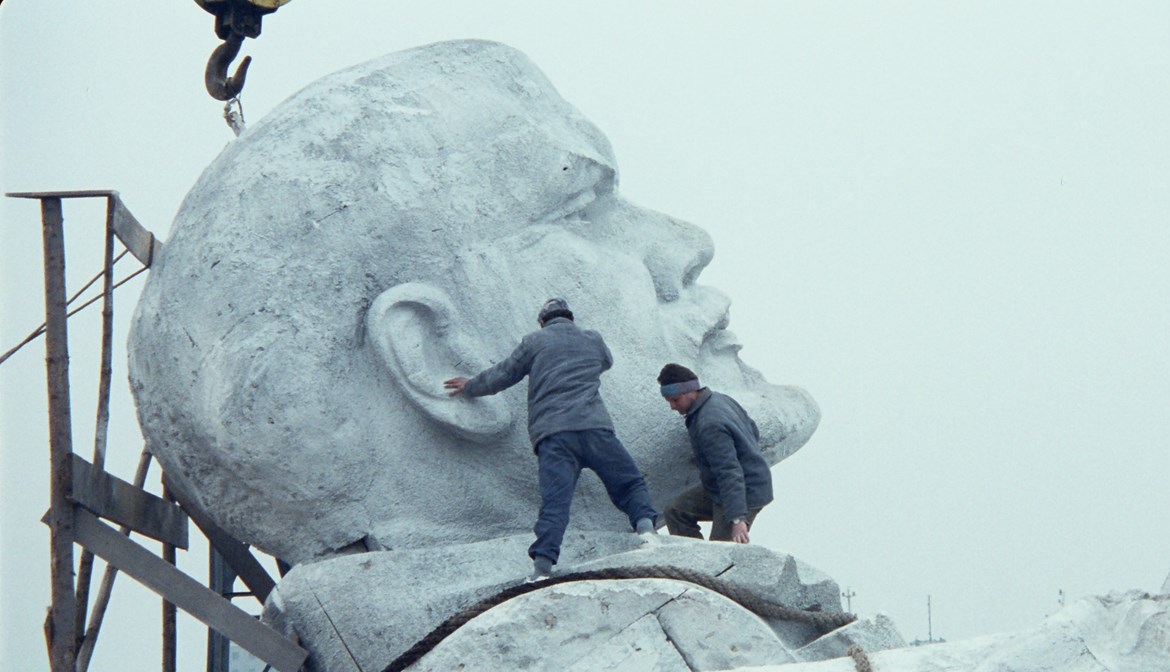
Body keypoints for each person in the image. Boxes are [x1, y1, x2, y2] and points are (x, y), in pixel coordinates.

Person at [128, 40, 819, 567]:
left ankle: (599, 543)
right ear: (430, 352)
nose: (687, 246)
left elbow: (512, 372)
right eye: (581, 211)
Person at [444, 298, 658, 580]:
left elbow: (504, 374)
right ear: (570, 318)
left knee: (555, 502)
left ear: (542, 321)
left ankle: (542, 567)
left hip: (554, 435)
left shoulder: (534, 341)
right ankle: (646, 531)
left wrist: (470, 386)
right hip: (595, 428)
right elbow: (606, 362)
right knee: (628, 482)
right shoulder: (592, 339)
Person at [658, 363, 772, 544]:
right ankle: (692, 561)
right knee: (676, 511)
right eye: (669, 401)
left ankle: (706, 568)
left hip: (744, 492)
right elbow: (753, 430)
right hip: (719, 488)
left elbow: (729, 472)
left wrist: (737, 519)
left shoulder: (709, 424)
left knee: (720, 551)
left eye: (675, 400)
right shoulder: (719, 399)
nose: (672, 406)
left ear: (690, 392)